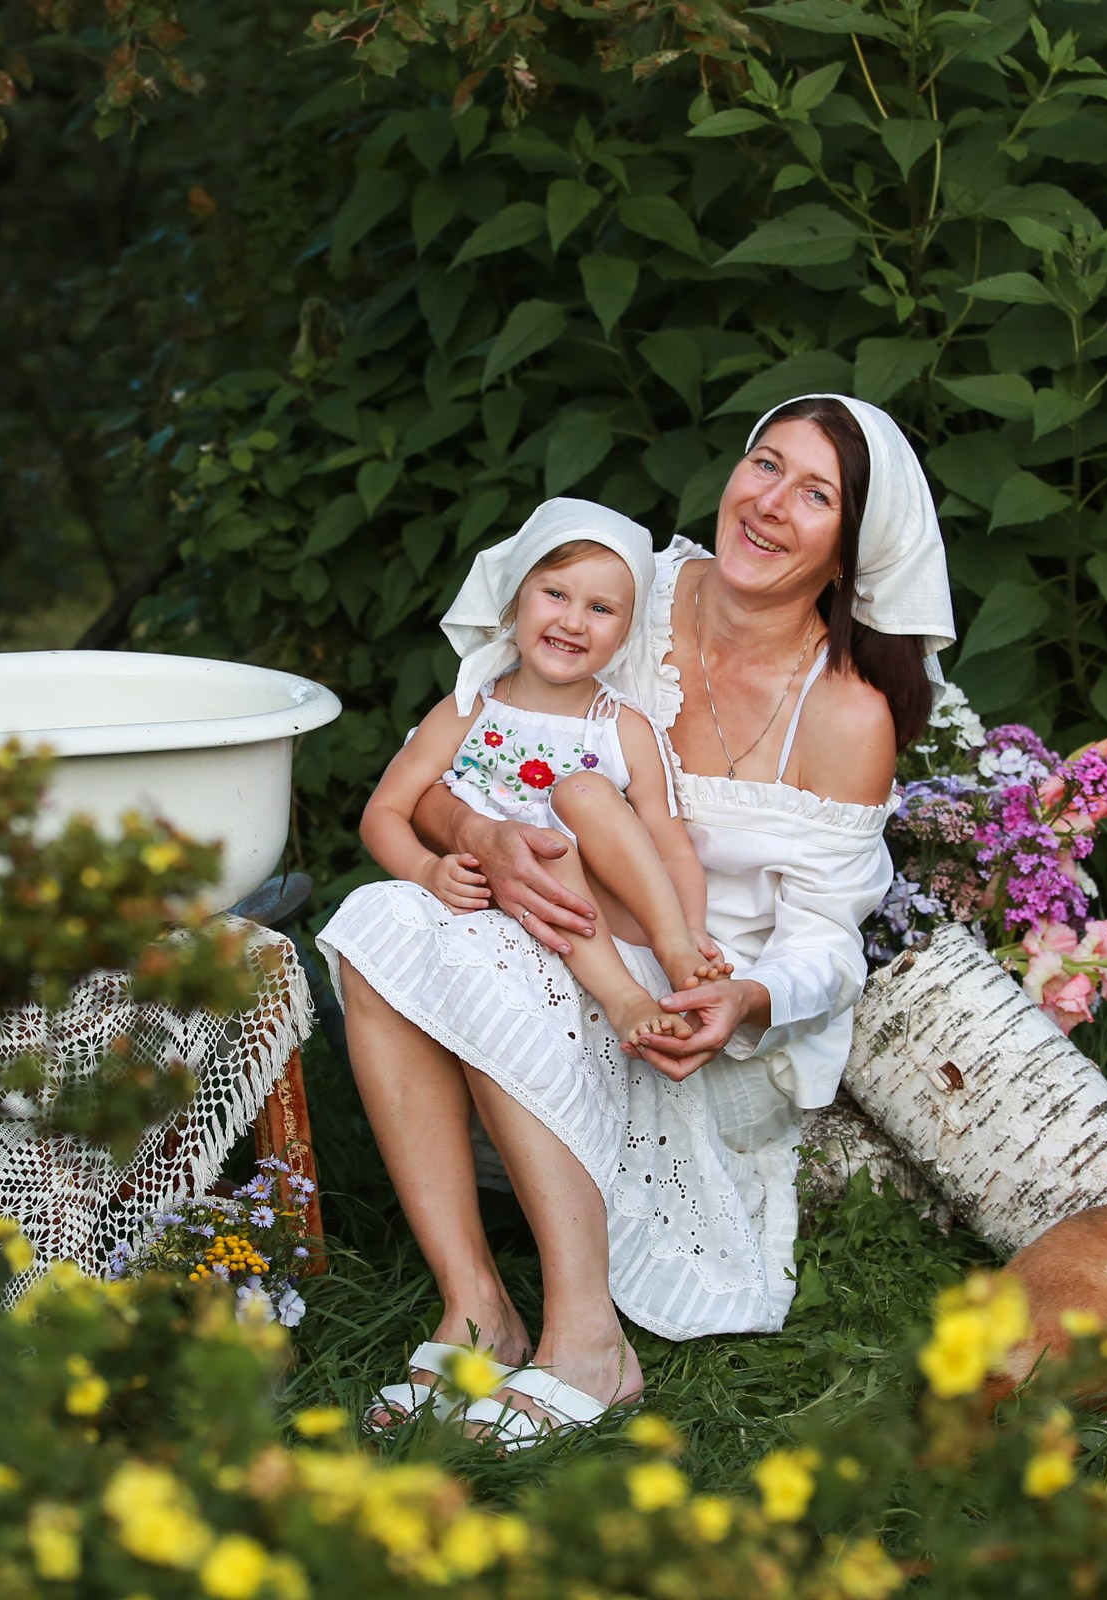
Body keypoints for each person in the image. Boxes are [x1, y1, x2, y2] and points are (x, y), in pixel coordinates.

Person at [316, 394, 954, 1447]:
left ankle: (589, 1339)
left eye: (815, 492)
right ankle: (477, 1300)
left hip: (689, 999)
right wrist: (480, 842)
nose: (770, 503)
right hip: (543, 917)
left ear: (850, 548)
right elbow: (454, 764)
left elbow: (829, 941)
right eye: (764, 464)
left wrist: (744, 993)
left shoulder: (844, 712)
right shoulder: (624, 591)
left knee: (478, 934)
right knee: (382, 916)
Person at [355, 497, 727, 1052]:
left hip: (599, 915)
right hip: (503, 904)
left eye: (602, 609)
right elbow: (383, 812)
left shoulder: (621, 727)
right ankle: (622, 996)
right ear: (514, 602)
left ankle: (661, 961)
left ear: (626, 633)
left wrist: (691, 926)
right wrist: (426, 869)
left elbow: (671, 846)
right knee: (544, 846)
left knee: (582, 792)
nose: (573, 622)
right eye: (555, 594)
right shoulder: (467, 711)